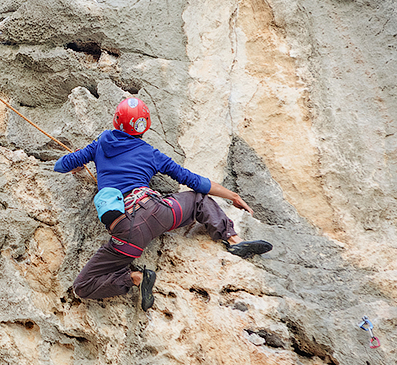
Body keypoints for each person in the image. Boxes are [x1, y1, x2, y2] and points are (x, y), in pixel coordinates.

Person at [54, 97, 272, 311]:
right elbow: (195, 181)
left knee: (82, 286)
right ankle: (234, 239)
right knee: (198, 199)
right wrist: (232, 196)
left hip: (128, 233)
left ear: (116, 121)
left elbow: (61, 165)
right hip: (159, 212)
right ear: (145, 125)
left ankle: (137, 278)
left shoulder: (101, 143)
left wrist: (79, 164)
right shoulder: (150, 153)